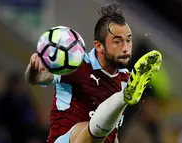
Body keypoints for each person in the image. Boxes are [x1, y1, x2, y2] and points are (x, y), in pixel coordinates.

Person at [24, 2, 162, 143]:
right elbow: (39, 78)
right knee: (84, 128)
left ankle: (122, 98)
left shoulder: (125, 78)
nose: (126, 48)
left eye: (128, 40)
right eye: (117, 42)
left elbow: (112, 134)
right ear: (99, 46)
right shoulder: (76, 64)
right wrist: (34, 71)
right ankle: (123, 97)